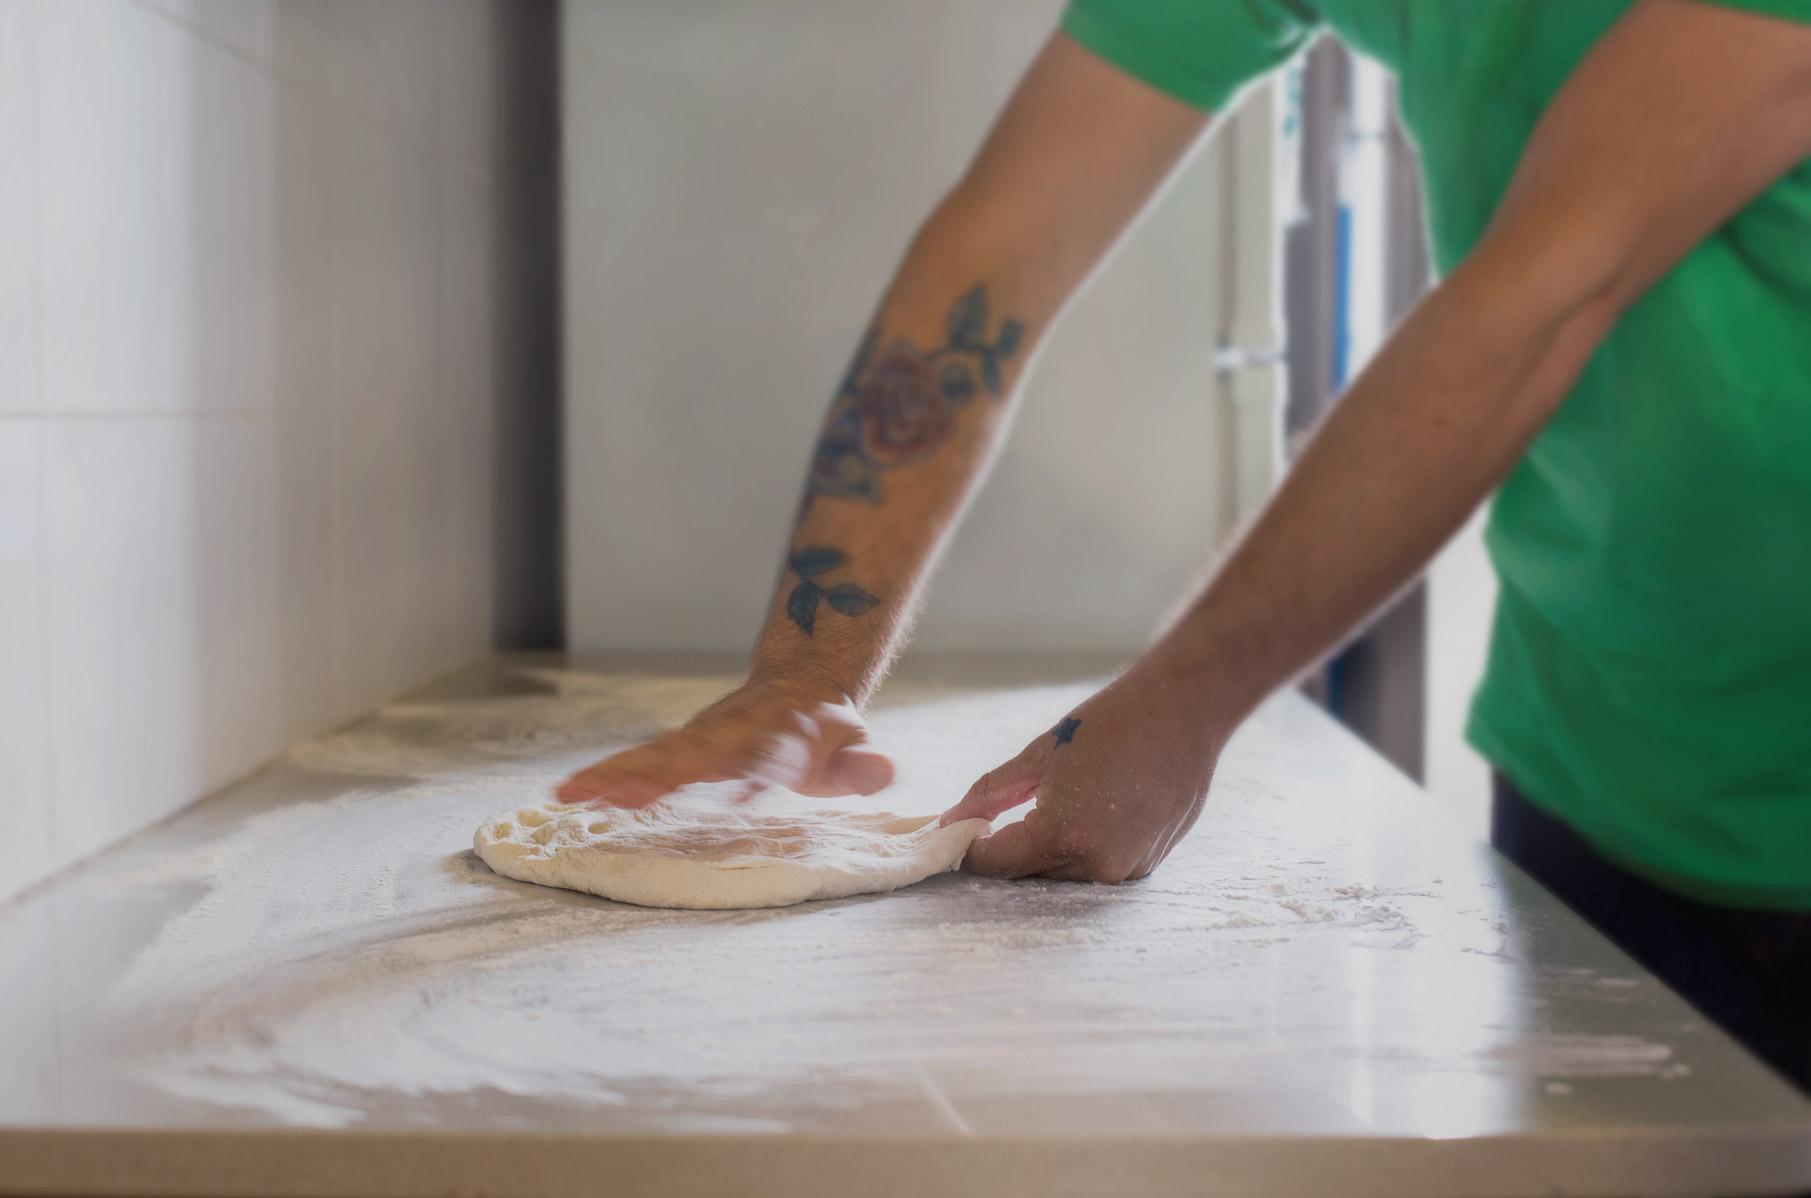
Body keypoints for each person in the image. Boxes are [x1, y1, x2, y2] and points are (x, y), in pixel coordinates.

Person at [559, 0, 1811, 1092]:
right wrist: (802, 676)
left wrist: (1178, 706)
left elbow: (1540, 302)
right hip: (1596, 751)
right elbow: (996, 258)